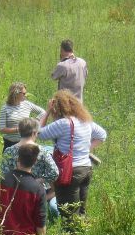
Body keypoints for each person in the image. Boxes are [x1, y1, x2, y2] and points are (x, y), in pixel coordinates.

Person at [38, 90, 106, 222]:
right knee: (81, 211)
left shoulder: (63, 123)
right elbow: (102, 135)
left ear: (57, 108)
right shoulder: (85, 121)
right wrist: (87, 149)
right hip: (86, 169)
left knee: (68, 214)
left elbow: (39, 133)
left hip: (69, 173)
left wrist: (47, 111)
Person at [0, 143, 47, 235]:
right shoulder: (38, 189)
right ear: (34, 162)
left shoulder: (0, 180)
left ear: (18, 159)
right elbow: (41, 224)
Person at [0, 118, 59, 217]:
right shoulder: (41, 151)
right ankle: (44, 201)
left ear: (19, 131)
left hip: (16, 192)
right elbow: (55, 172)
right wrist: (41, 179)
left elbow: (3, 174)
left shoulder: (9, 151)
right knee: (56, 190)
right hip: (37, 190)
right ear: (34, 133)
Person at [0, 82, 46, 151]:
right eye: (23, 93)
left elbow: (43, 112)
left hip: (26, 143)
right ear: (16, 93)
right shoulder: (5, 108)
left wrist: (34, 122)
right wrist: (19, 129)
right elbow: (2, 129)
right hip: (10, 144)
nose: (25, 95)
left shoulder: (27, 104)